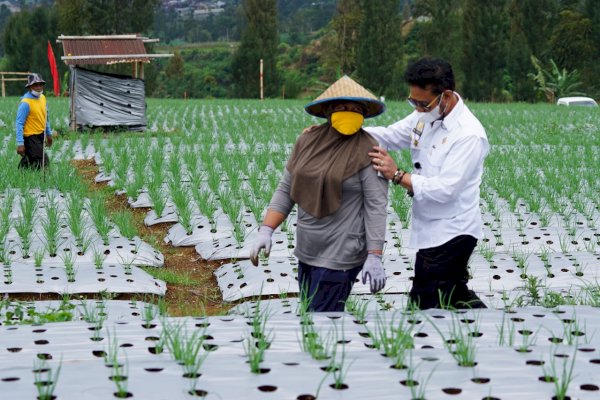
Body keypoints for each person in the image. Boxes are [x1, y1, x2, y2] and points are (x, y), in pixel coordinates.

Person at [249, 75, 389, 312]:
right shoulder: (308, 141)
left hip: (342, 252)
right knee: (311, 318)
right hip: (308, 248)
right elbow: (287, 188)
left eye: (357, 109)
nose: (350, 112)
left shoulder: (370, 150)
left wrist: (374, 255)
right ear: (328, 111)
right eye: (343, 107)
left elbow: (376, 205)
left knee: (321, 321)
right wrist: (266, 230)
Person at [365, 57, 489, 310]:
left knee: (425, 302)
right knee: (454, 294)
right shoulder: (424, 117)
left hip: (453, 231)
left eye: (423, 103)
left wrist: (397, 175)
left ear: (445, 96)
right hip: (431, 227)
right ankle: (487, 328)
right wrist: (341, 132)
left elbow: (446, 189)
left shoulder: (468, 135)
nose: (418, 109)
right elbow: (390, 135)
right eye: (413, 101)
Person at [16, 73, 53, 169]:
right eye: (35, 85)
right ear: (29, 87)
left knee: (31, 158)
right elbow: (19, 123)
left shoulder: (43, 98)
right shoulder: (26, 103)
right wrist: (20, 144)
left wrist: (49, 134)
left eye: (40, 84)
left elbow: (46, 117)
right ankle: (42, 180)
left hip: (40, 134)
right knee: (43, 160)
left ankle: (21, 173)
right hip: (30, 137)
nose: (39, 87)